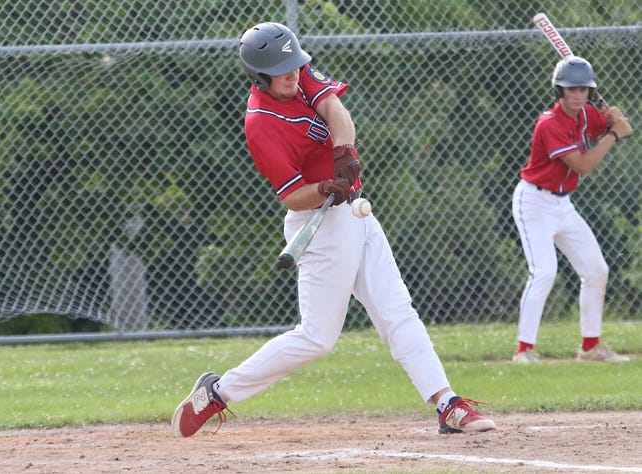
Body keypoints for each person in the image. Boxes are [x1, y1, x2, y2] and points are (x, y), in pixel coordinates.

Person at [171, 21, 496, 437]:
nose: (293, 73)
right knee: (317, 339)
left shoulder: (298, 73)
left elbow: (337, 112)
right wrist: (324, 187)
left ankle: (448, 405)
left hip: (357, 213)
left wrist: (343, 153)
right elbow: (291, 196)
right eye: (282, 70)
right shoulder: (260, 124)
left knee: (398, 313)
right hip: (319, 223)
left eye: (295, 64)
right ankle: (218, 391)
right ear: (258, 76)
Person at [511, 56, 632, 364]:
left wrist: (616, 119)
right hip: (534, 203)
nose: (577, 95)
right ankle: (523, 351)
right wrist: (614, 135)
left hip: (563, 205)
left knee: (596, 270)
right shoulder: (549, 123)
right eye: (570, 89)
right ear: (559, 91)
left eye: (583, 89)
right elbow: (584, 164)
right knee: (544, 272)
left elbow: (618, 124)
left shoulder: (588, 114)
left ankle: (590, 347)